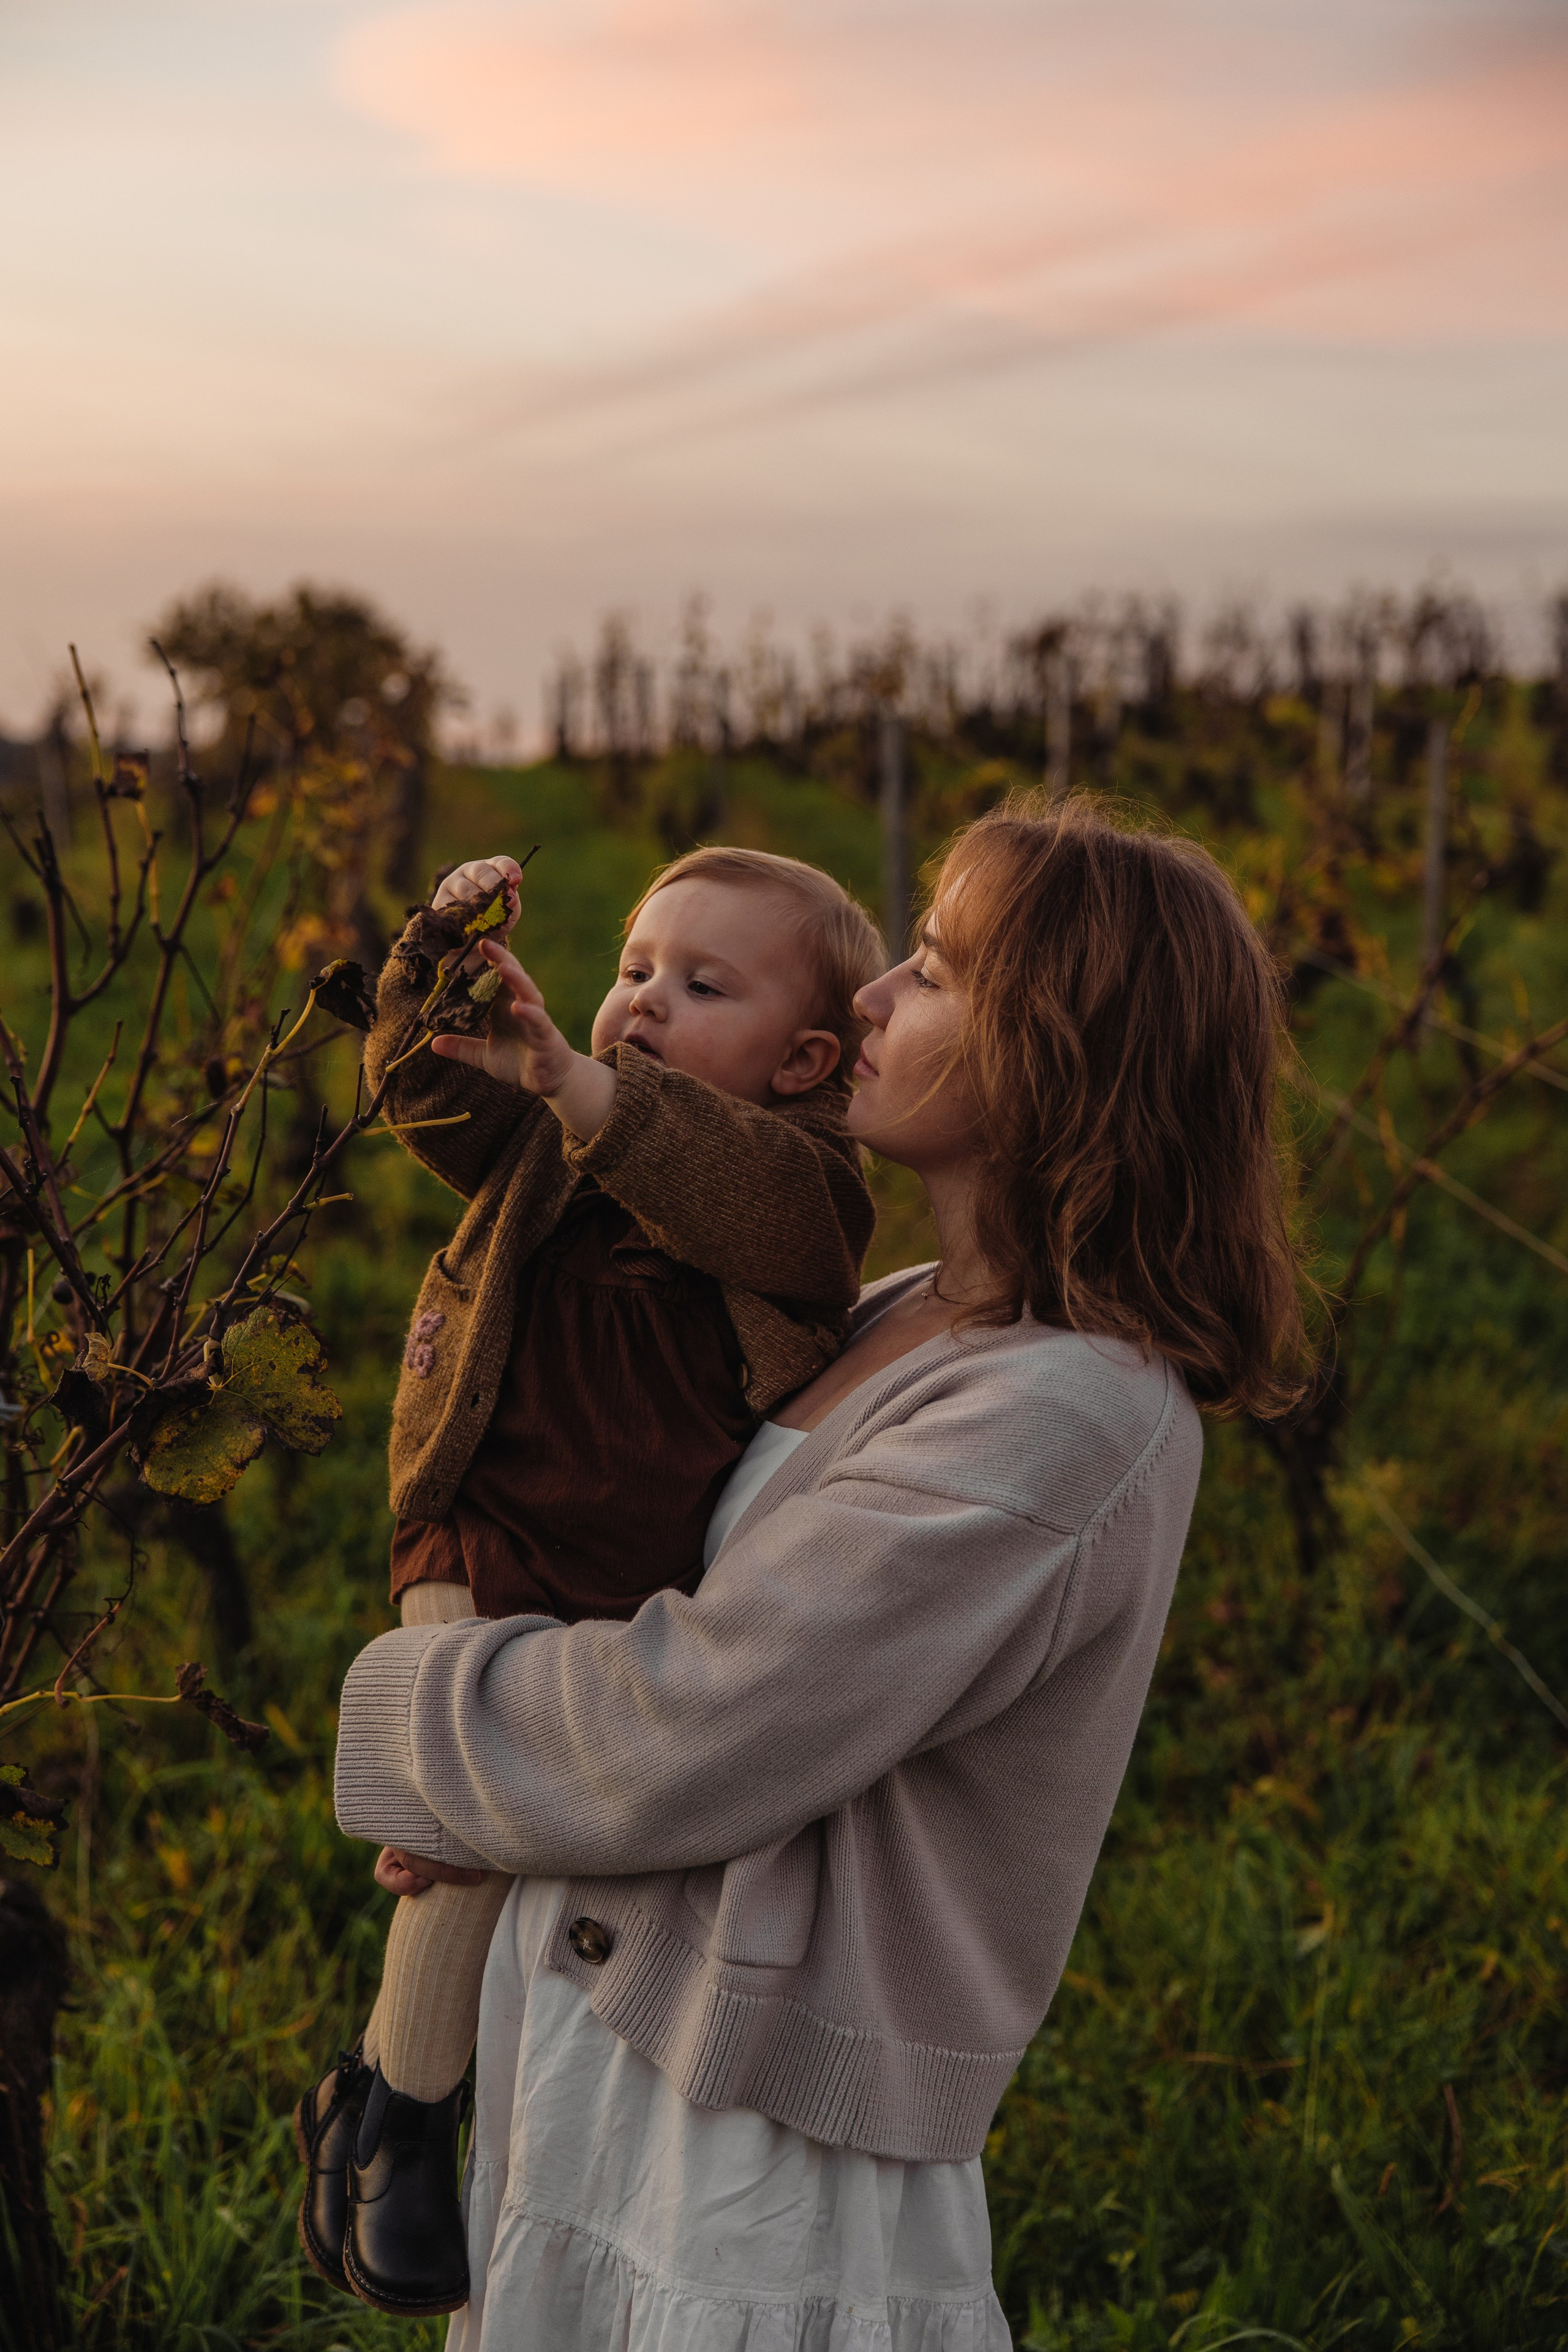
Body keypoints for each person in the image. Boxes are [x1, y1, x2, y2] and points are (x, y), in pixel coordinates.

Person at [333, 793, 1311, 2350]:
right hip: (615, 2048)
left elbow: (704, 1721)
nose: (868, 997)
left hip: (754, 2154)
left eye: (929, 971)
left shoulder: (1066, 1414)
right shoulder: (909, 1309)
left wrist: (414, 1723)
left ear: (1057, 1051)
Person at [295, 845, 882, 2317]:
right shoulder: (545, 1137)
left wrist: (585, 1088)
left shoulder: (803, 1185)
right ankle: (400, 2123)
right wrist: (434, 955)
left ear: (804, 1056)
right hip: (475, 1524)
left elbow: (736, 1195)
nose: (639, 1004)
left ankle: (393, 2092)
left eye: (701, 986)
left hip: (628, 1594)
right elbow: (420, 1092)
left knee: (527, 1828)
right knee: (475, 1836)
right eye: (631, 970)